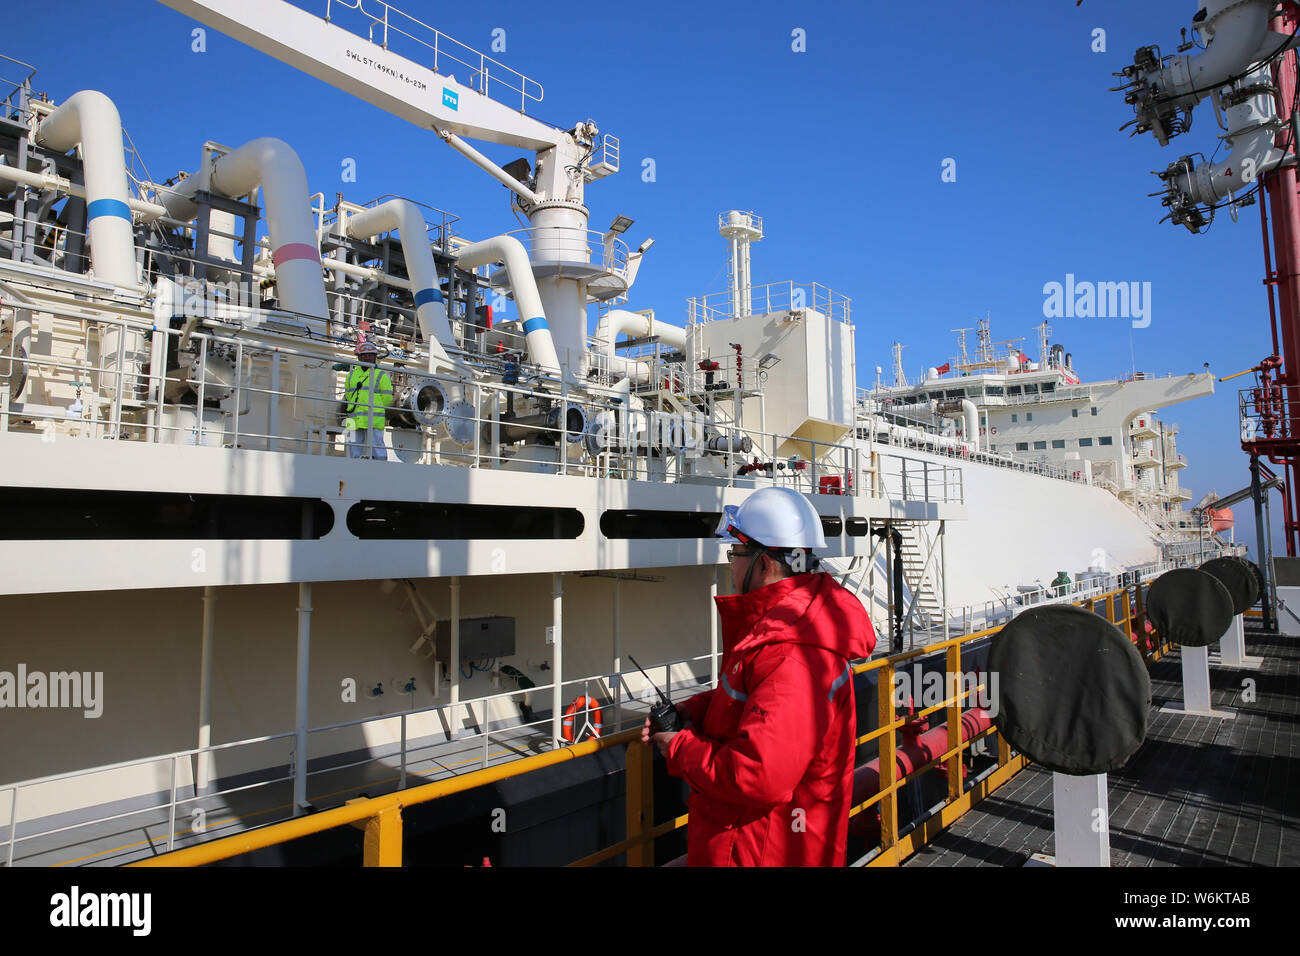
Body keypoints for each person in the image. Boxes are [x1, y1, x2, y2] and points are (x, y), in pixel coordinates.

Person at [642, 486, 876, 866]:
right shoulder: (788, 626)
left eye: (735, 553)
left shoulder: (792, 653)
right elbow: (753, 700)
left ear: (765, 564)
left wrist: (679, 747)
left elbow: (758, 775)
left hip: (762, 852)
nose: (731, 564)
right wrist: (693, 712)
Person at [343, 339, 393, 460]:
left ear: (375, 357)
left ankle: (380, 465)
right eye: (364, 355)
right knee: (352, 445)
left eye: (370, 355)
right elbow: (348, 394)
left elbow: (387, 398)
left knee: (377, 445)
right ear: (360, 357)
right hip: (353, 417)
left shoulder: (381, 374)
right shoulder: (351, 375)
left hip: (373, 417)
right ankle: (354, 464)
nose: (367, 358)